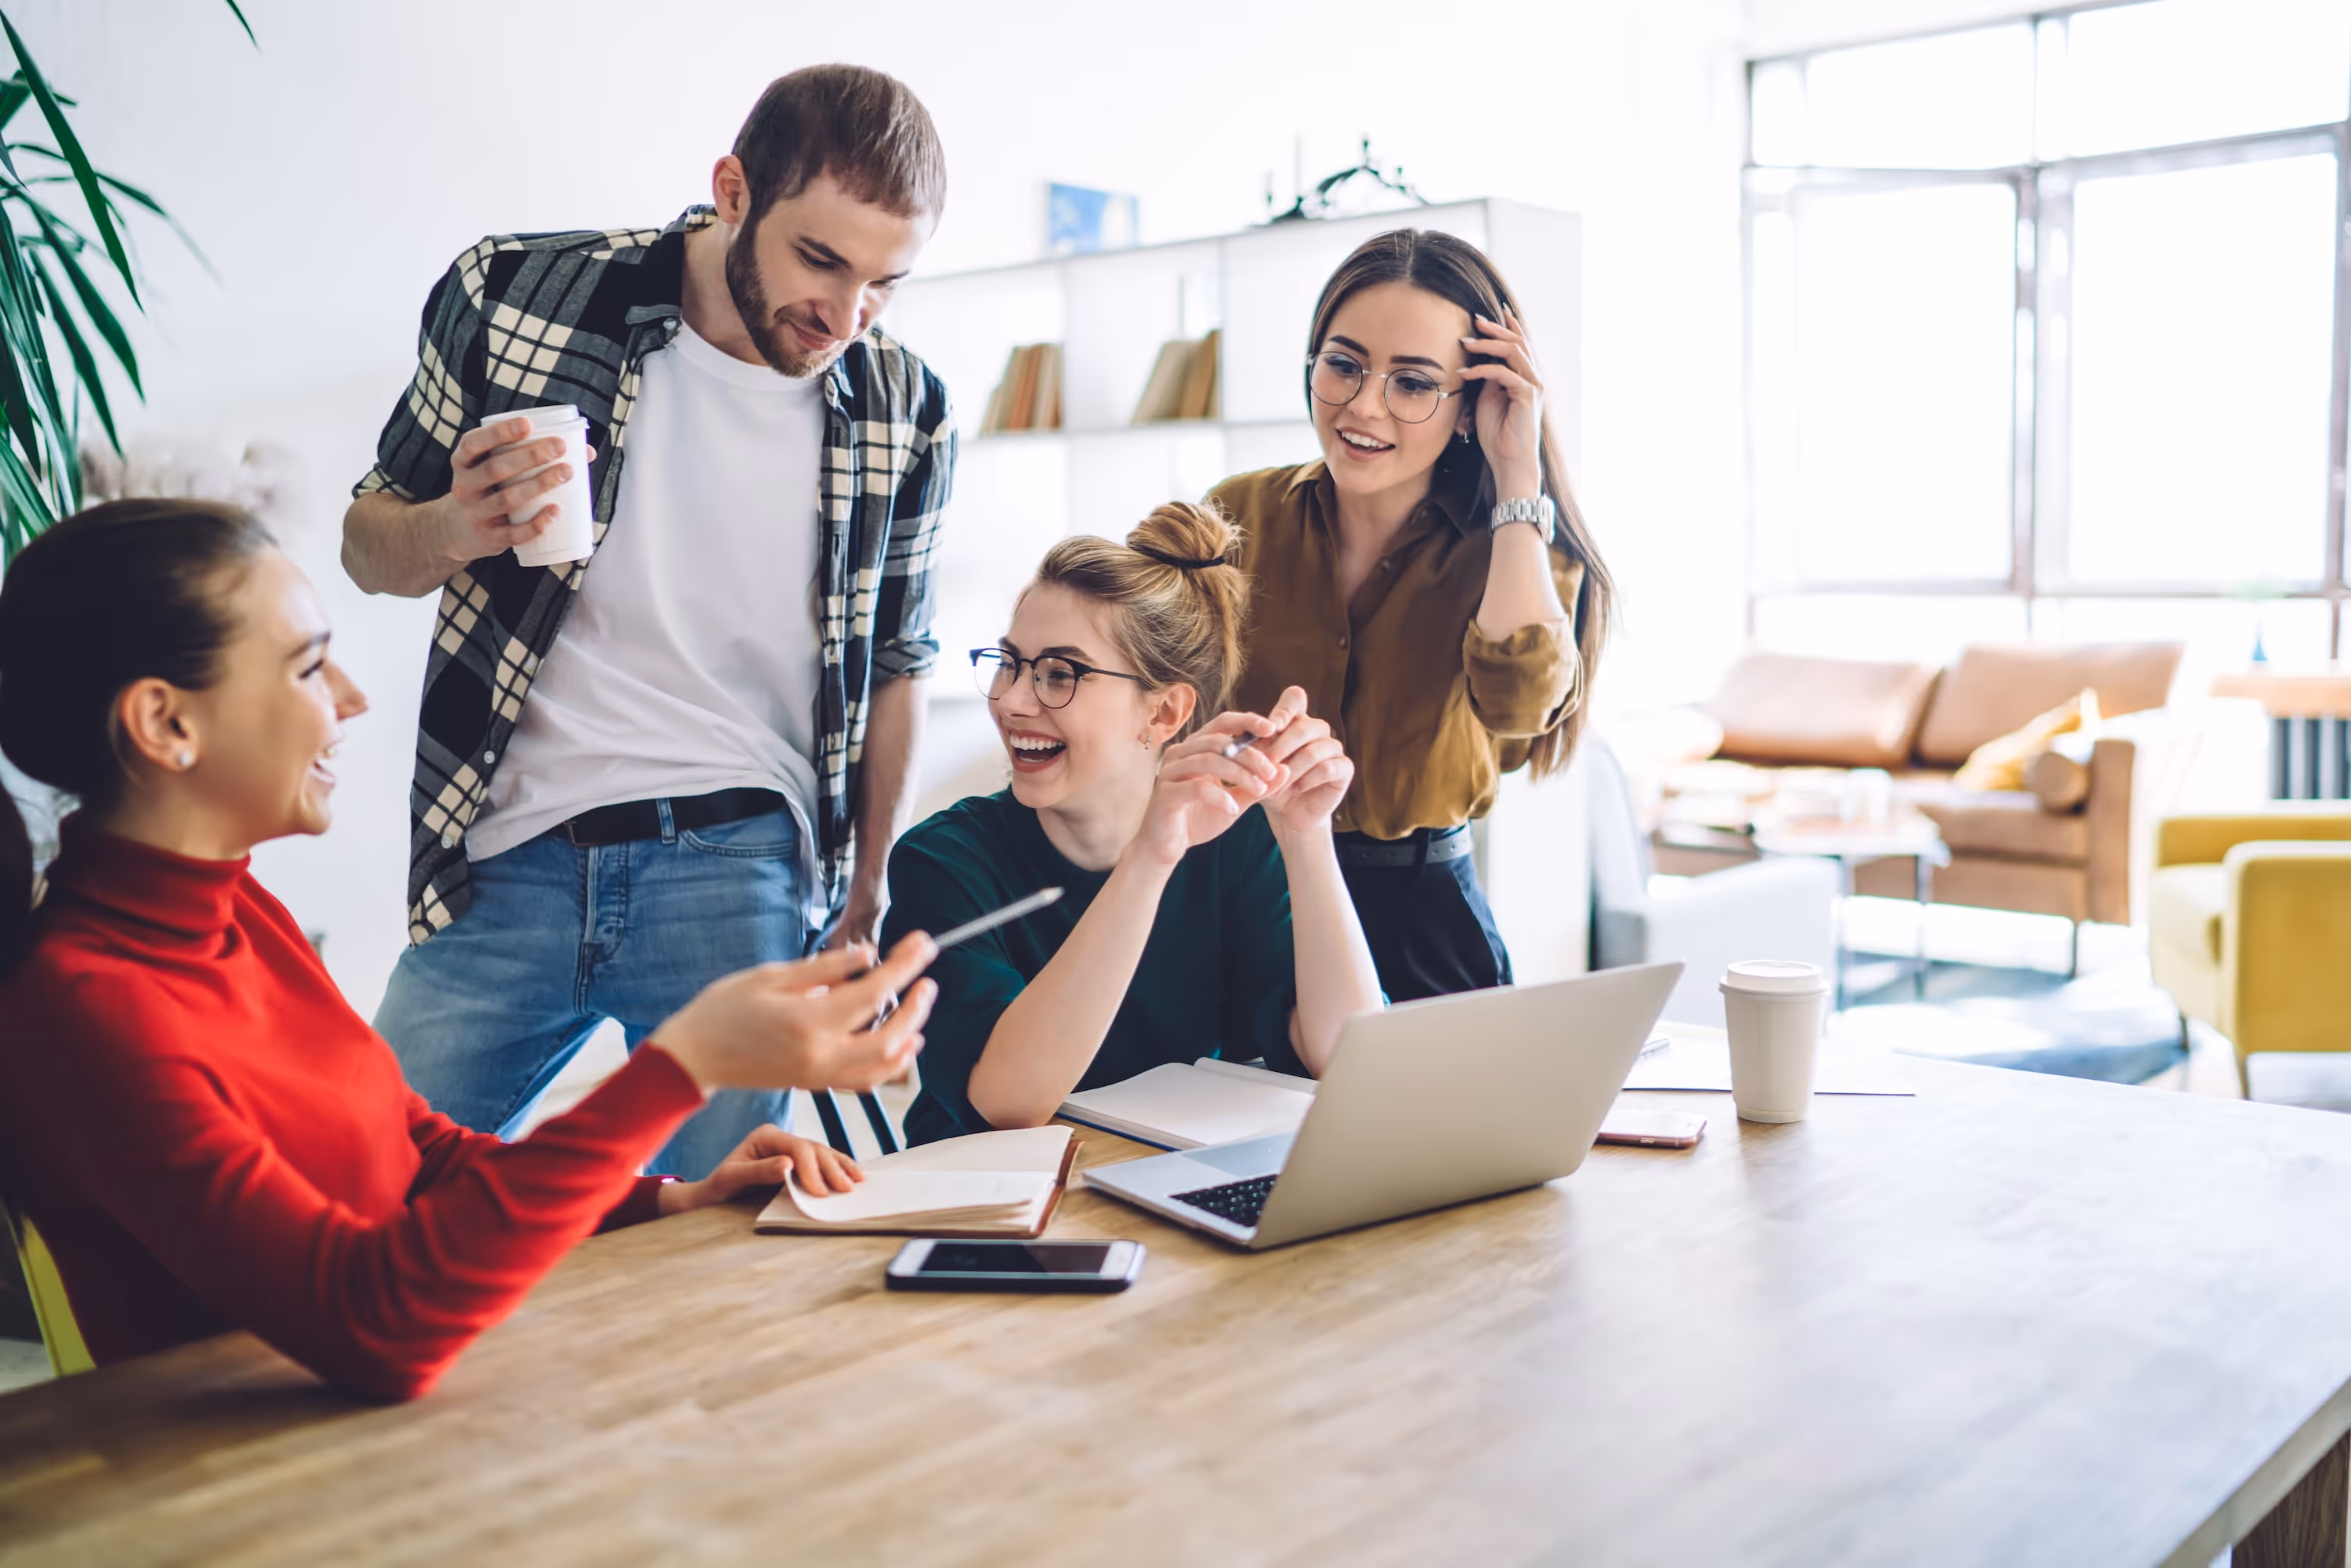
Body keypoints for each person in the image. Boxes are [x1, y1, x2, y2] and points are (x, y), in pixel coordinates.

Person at [0, 501, 933, 1400]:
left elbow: (419, 1157)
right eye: (307, 667)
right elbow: (376, 1318)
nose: (352, 699)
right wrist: (684, 1067)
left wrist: (664, 1200)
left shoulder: (239, 909)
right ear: (166, 724)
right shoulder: (84, 1010)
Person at [342, 66, 955, 1179]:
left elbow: (900, 662)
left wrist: (867, 888)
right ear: (732, 192)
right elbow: (368, 542)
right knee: (363, 1178)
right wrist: (456, 526)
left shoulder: (906, 405)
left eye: (885, 284)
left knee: (711, 1243)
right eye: (821, 260)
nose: (845, 315)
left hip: (742, 865)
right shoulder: (517, 294)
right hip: (509, 853)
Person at [882, 502, 1385, 1146]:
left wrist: (1306, 836)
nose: (1011, 700)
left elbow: (1346, 1060)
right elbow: (1008, 1101)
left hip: (1170, 1193)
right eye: (1008, 663)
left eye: (1060, 674)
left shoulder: (1237, 842)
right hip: (990, 1212)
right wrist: (1149, 858)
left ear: (1165, 712)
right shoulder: (943, 862)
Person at [1204, 229, 1614, 1003]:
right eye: (1345, 365)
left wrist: (1516, 472)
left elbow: (1521, 706)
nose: (1364, 407)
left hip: (1422, 924)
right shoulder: (1235, 515)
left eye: (1414, 383)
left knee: (1444, 1130)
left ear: (1472, 406)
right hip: (1243, 902)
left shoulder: (1515, 544)